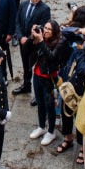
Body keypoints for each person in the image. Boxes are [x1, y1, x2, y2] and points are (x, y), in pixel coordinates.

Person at [29, 19, 69, 147]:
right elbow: (29, 51)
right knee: (40, 102)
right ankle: (41, 126)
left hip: (49, 77)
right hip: (37, 73)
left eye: (48, 29)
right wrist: (33, 38)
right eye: (44, 28)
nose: (45, 31)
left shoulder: (60, 42)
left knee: (49, 105)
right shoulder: (42, 38)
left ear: (55, 31)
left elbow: (52, 57)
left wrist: (41, 41)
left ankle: (51, 131)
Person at [12, 0, 51, 96]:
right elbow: (17, 22)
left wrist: (28, 38)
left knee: (38, 68)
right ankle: (26, 85)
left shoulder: (45, 9)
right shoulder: (23, 5)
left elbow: (43, 28)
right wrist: (20, 37)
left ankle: (38, 93)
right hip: (23, 43)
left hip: (35, 44)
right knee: (26, 65)